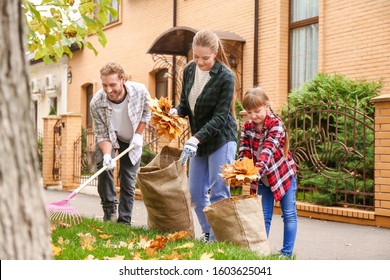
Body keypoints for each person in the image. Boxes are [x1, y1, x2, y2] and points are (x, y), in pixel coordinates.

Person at [170, 29, 237, 242]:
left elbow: (219, 117)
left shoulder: (226, 77)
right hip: (198, 141)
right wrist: (174, 112)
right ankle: (209, 233)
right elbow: (184, 104)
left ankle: (221, 240)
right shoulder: (189, 70)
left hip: (221, 139)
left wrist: (195, 138)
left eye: (205, 58)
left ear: (215, 53)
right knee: (196, 193)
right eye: (195, 56)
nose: (199, 62)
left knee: (218, 190)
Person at [238, 86, 297, 258]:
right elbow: (244, 151)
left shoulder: (276, 125)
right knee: (263, 216)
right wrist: (243, 168)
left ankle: (286, 253)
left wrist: (256, 171)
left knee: (289, 214)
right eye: (249, 112)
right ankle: (261, 252)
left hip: (282, 176)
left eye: (257, 111)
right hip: (262, 178)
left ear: (266, 105)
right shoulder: (247, 127)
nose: (253, 116)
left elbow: (268, 151)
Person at [90, 62, 151, 225]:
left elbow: (147, 113)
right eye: (104, 85)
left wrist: (138, 134)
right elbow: (102, 134)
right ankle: (109, 209)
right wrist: (107, 156)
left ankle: (124, 221)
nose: (108, 90)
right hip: (110, 138)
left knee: (128, 179)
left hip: (132, 140)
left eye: (112, 85)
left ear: (123, 79)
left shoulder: (140, 92)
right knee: (103, 168)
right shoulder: (96, 102)